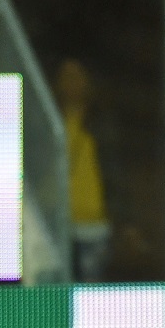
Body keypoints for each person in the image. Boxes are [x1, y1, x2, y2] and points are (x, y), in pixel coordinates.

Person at [54, 58, 111, 282]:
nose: (72, 84)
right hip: (60, 224)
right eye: (67, 77)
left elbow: (113, 172)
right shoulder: (49, 121)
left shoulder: (100, 122)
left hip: (95, 225)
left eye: (77, 77)